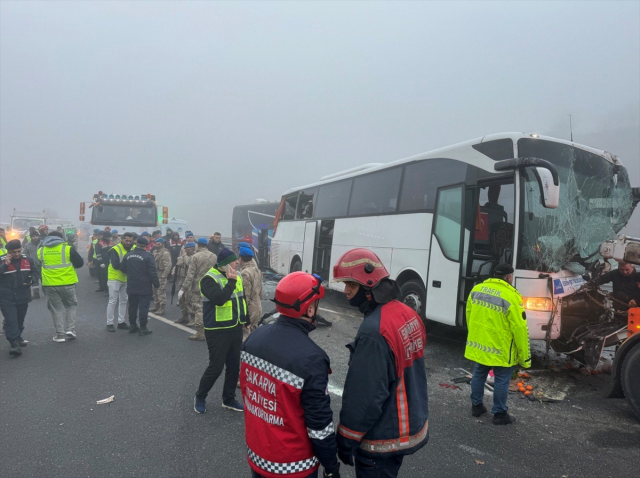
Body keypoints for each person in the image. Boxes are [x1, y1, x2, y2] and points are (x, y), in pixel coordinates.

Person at [333, 248, 429, 477]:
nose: (345, 291)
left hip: (382, 438)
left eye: (351, 285)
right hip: (408, 425)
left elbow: (364, 396)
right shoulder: (408, 313)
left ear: (369, 288)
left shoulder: (373, 332)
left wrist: (346, 440)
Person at [240, 271, 340, 478]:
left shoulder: (255, 337)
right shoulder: (311, 358)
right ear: (310, 309)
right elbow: (319, 426)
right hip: (295, 465)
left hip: (257, 455)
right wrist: (331, 466)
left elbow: (249, 392)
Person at [465, 263, 530, 425]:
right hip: (501, 348)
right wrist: (525, 357)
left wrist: (476, 336)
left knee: (479, 374)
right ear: (508, 277)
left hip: (481, 345)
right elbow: (520, 329)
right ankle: (500, 414)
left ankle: (477, 406)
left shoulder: (477, 289)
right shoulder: (511, 296)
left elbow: (469, 315)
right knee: (502, 380)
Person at [193, 247, 247, 414]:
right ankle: (200, 396)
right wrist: (230, 282)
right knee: (215, 367)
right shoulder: (208, 279)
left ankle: (229, 399)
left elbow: (240, 299)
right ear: (224, 264)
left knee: (233, 366)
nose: (237, 263)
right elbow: (219, 300)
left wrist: (246, 319)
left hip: (235, 327)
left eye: (237, 261)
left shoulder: (236, 276)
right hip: (217, 330)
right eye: (233, 261)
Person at [38, 231, 84, 342]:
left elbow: (39, 262)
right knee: (71, 306)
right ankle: (70, 329)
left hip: (50, 284)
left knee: (56, 309)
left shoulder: (41, 250)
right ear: (61, 238)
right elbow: (79, 263)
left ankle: (59, 335)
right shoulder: (67, 249)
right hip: (68, 282)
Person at [0, 240, 36, 356]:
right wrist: (5, 265)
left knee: (20, 319)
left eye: (18, 251)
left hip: (22, 294)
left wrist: (32, 279)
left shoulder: (27, 259)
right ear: (8, 252)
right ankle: (14, 344)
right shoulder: (2, 260)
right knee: (11, 320)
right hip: (6, 296)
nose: (16, 254)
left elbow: (36, 272)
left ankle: (18, 336)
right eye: (13, 252)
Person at [120, 237, 159, 336]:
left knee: (132, 306)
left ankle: (132, 325)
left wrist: (132, 274)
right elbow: (152, 272)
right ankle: (143, 327)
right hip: (144, 285)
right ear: (146, 246)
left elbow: (122, 268)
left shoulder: (128, 255)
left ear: (136, 244)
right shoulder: (148, 256)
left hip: (132, 283)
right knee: (143, 307)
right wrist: (156, 284)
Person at [180, 237, 217, 341]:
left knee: (198, 309)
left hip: (198, 286)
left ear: (198, 245)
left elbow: (190, 274)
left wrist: (184, 288)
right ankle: (211, 329)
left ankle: (200, 333)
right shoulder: (214, 256)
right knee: (210, 308)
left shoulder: (195, 257)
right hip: (211, 286)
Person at [106, 232, 136, 332]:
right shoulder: (115, 249)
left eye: (130, 241)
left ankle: (121, 322)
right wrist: (131, 270)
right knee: (113, 301)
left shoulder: (134, 248)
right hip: (115, 278)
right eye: (126, 240)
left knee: (124, 301)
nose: (128, 242)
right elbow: (115, 265)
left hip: (126, 279)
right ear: (122, 239)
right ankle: (109, 323)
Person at [238, 246, 262, 341]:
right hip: (257, 305)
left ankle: (243, 353)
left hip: (250, 308)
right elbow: (260, 290)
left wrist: (243, 314)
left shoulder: (244, 273)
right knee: (254, 333)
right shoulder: (257, 270)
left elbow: (245, 295)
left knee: (245, 333)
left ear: (241, 258)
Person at [174, 241, 196, 325]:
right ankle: (184, 316)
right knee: (181, 299)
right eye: (185, 249)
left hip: (190, 281)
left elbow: (189, 263)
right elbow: (177, 264)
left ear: (193, 249)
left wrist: (184, 256)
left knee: (189, 300)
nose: (186, 250)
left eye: (188, 249)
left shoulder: (194, 256)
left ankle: (193, 318)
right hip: (182, 279)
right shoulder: (183, 256)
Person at [150, 238, 172, 316]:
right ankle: (156, 305)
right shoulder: (154, 251)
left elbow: (168, 265)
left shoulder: (165, 253)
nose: (157, 245)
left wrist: (164, 276)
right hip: (155, 273)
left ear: (163, 244)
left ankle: (162, 308)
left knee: (161, 291)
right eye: (156, 244)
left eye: (159, 244)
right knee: (154, 291)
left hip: (161, 272)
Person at [22, 232, 41, 299]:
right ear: (31, 237)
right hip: (33, 265)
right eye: (33, 236)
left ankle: (47, 292)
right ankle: (36, 294)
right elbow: (24, 254)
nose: (35, 237)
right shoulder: (28, 245)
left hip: (43, 265)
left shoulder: (42, 243)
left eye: (36, 236)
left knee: (44, 279)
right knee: (34, 279)